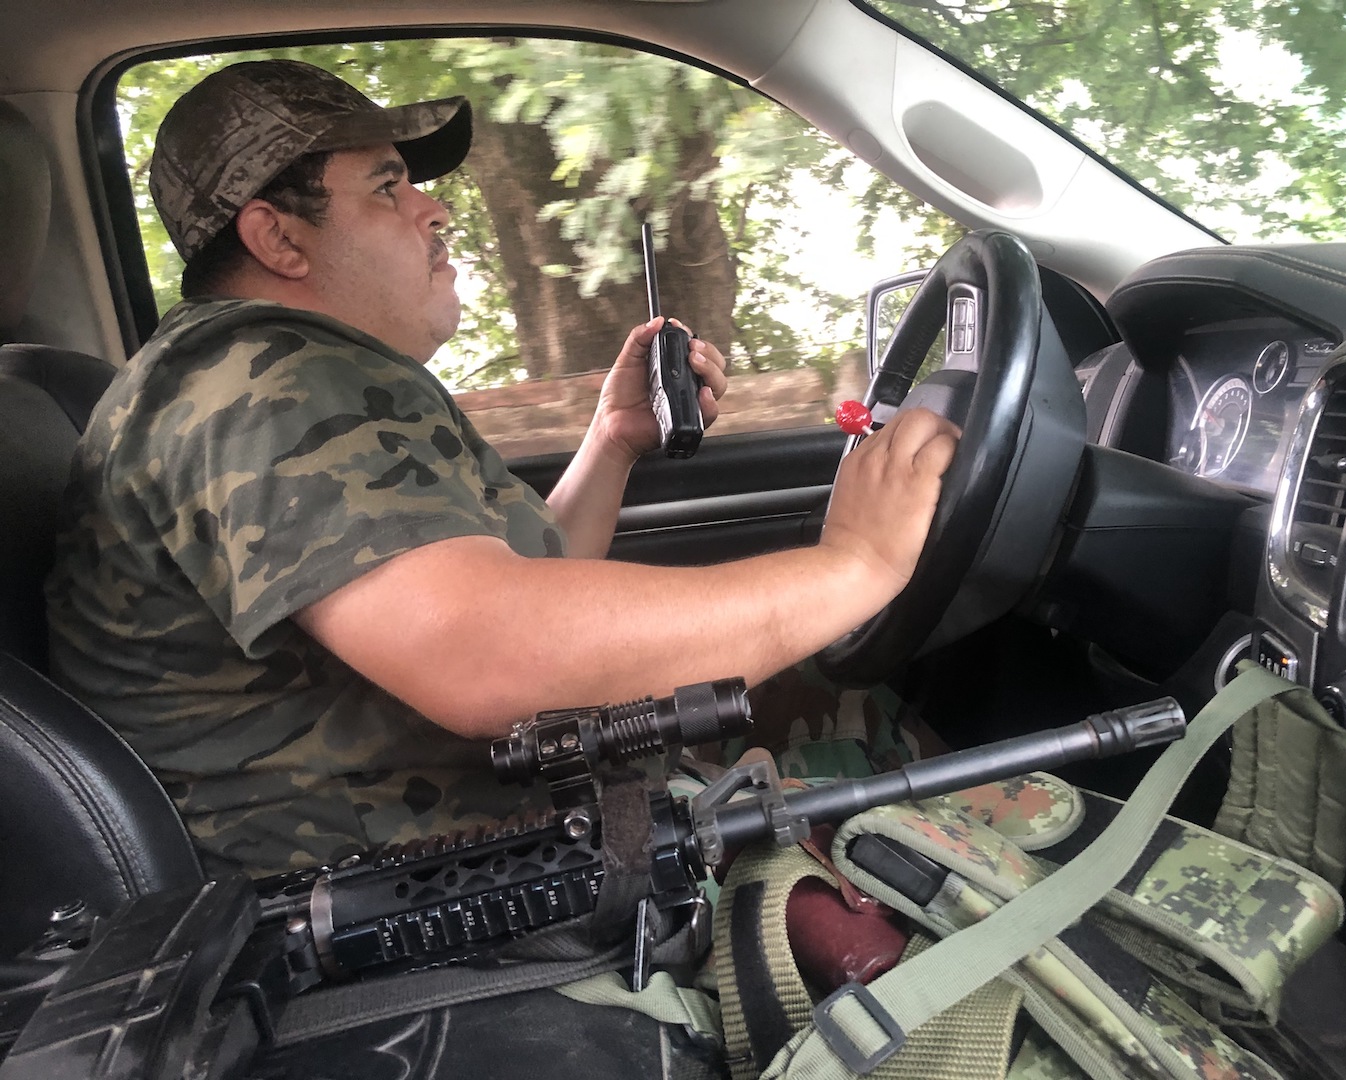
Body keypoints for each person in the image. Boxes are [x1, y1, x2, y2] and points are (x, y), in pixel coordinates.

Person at [45, 59, 961, 878]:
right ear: (280, 240)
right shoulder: (265, 382)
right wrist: (856, 565)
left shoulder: (276, 376)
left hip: (489, 833)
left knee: (862, 717)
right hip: (430, 896)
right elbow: (487, 654)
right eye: (387, 187)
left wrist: (612, 441)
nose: (434, 209)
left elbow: (508, 591)